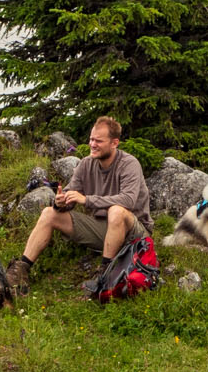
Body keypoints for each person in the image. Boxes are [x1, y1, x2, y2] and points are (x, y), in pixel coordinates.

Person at [8, 115, 151, 295]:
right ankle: (20, 270)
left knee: (116, 211)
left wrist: (87, 199)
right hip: (103, 229)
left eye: (99, 141)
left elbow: (128, 201)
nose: (92, 144)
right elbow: (70, 193)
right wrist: (61, 202)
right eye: (91, 139)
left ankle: (104, 274)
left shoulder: (129, 164)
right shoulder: (86, 164)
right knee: (48, 213)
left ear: (114, 143)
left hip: (136, 234)